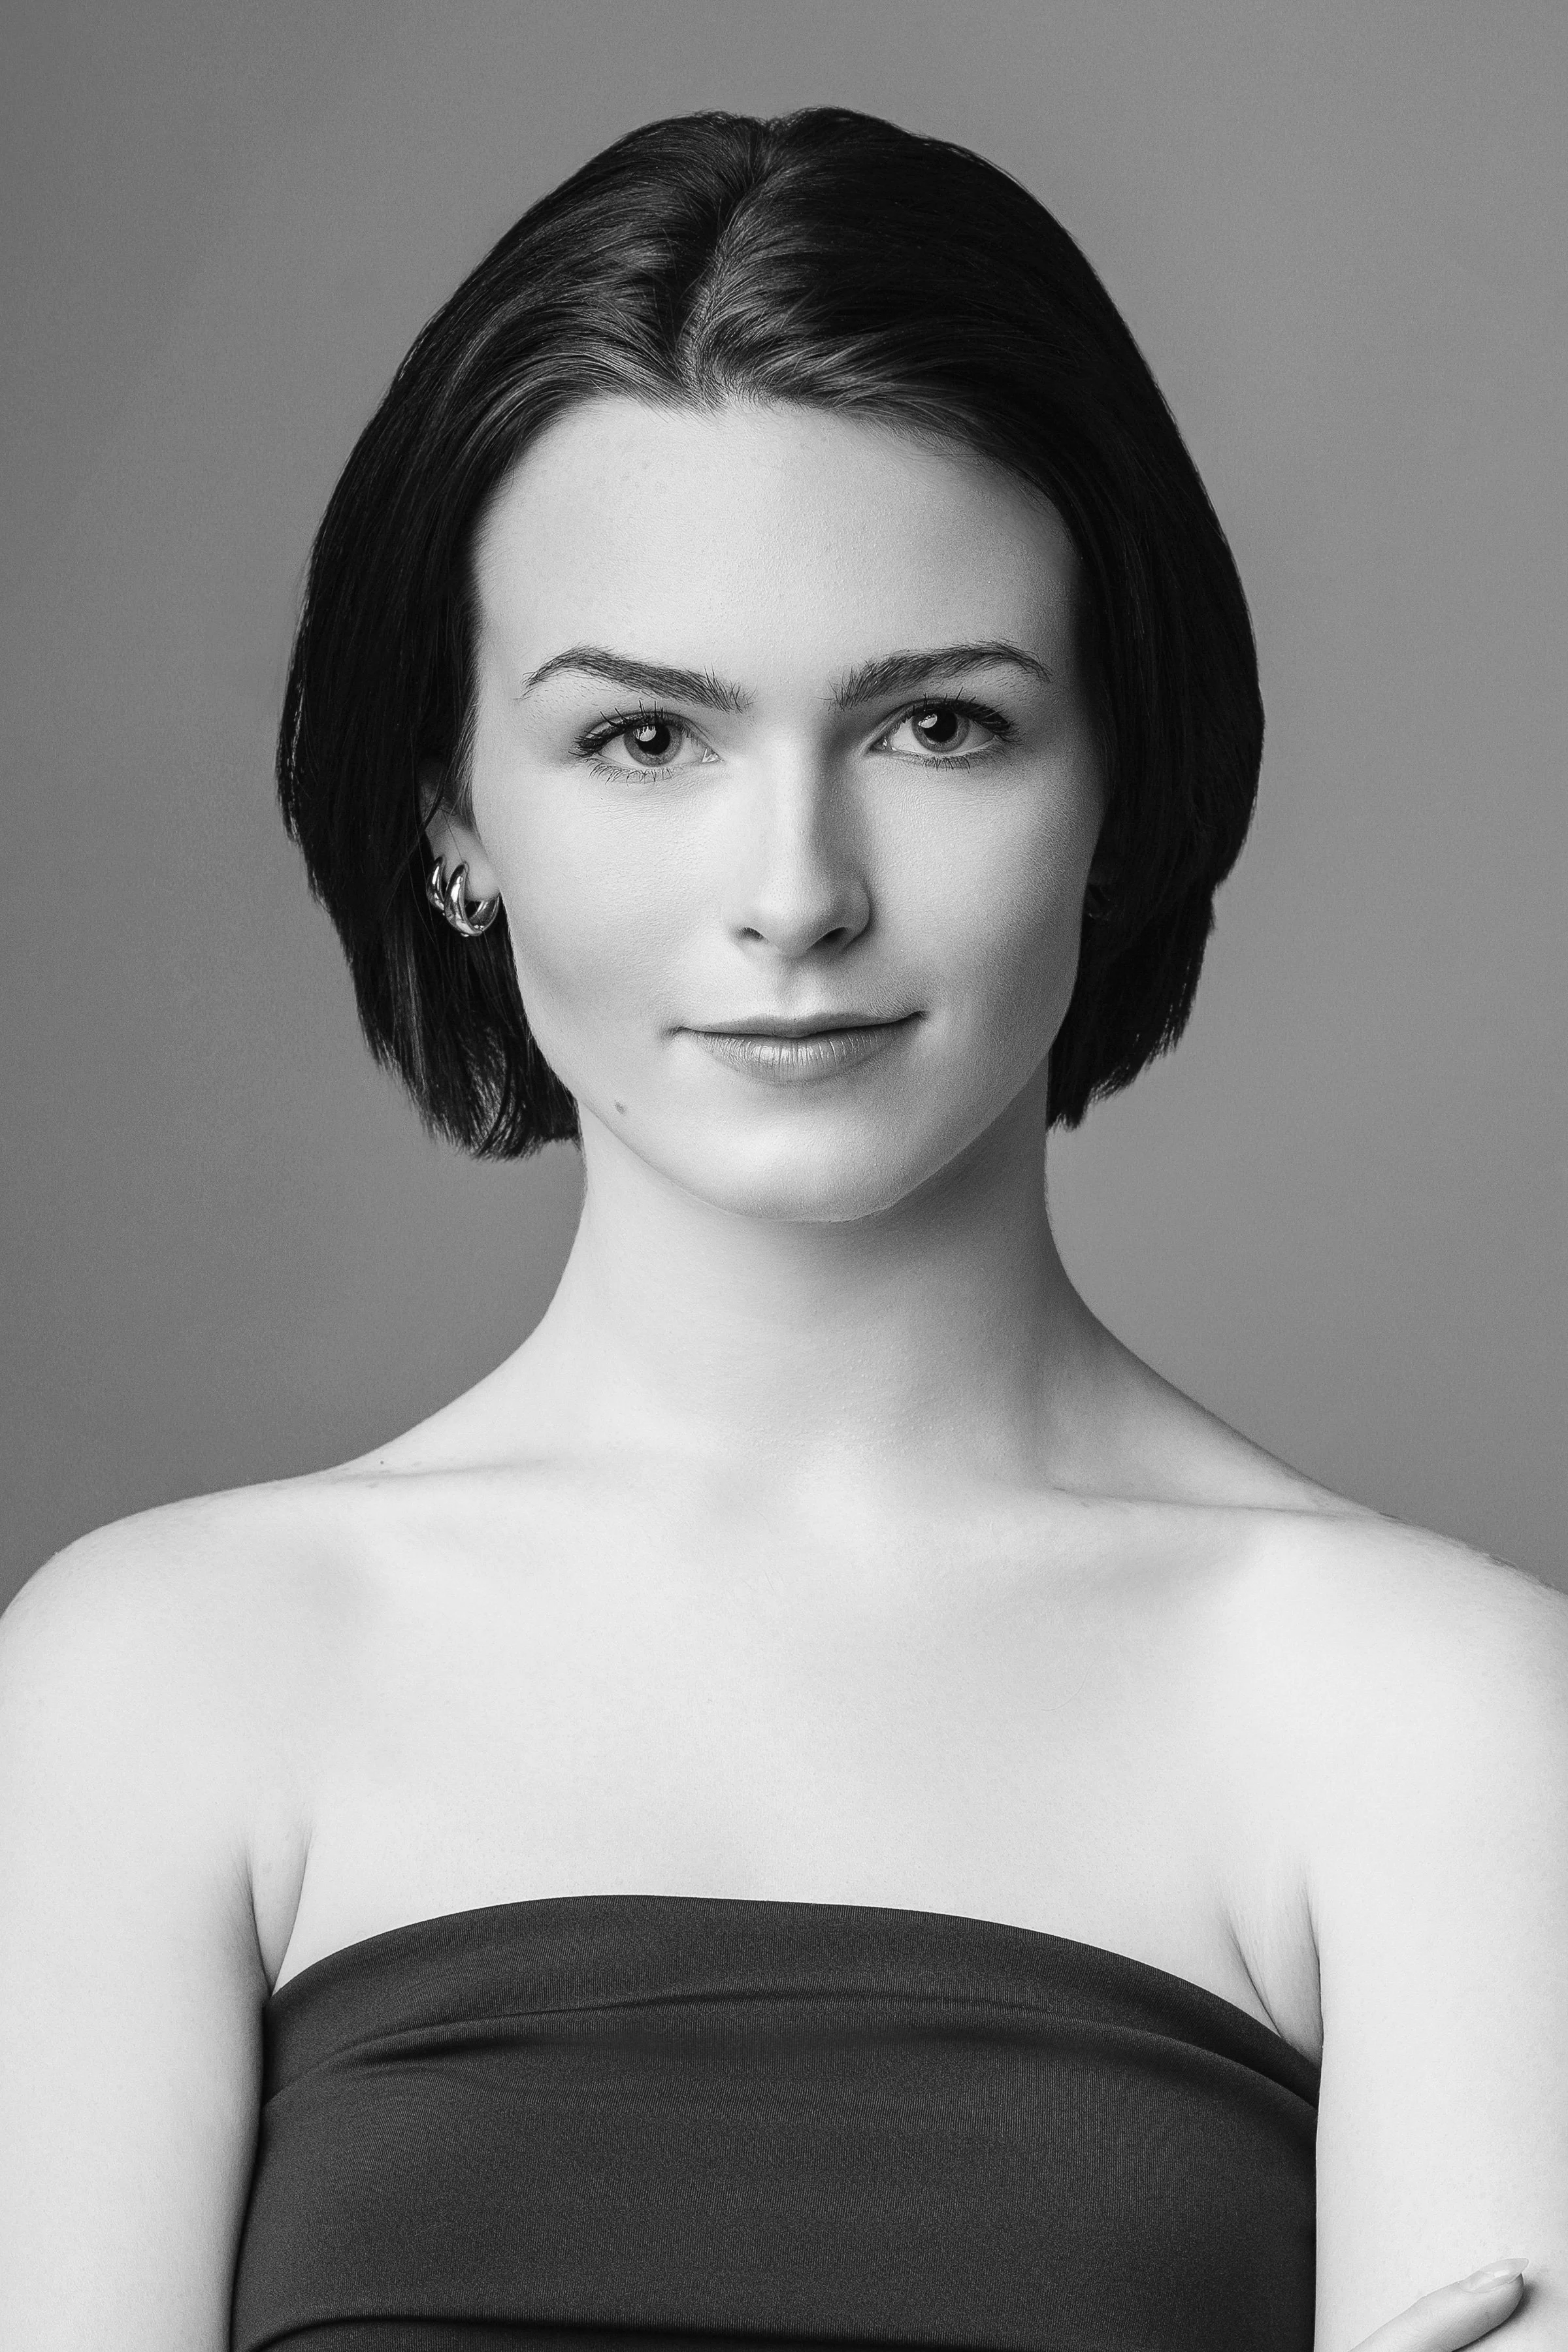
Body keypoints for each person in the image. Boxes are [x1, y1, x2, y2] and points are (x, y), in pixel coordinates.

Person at [0, 104, 1560, 2352]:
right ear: (456, 813)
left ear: (1122, 783)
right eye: (643, 740)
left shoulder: (1453, 1729)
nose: (794, 894)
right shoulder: (163, 1681)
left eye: (939, 725)